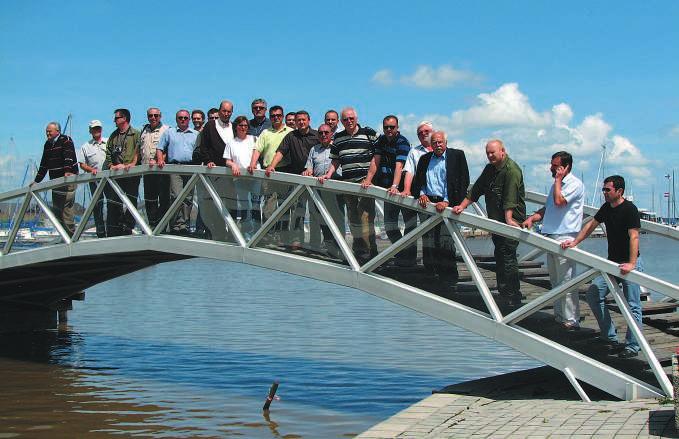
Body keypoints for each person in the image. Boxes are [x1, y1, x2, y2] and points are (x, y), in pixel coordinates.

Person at [561, 175, 644, 359]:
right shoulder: (607, 208)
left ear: (619, 191)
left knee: (633, 306)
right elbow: (591, 225)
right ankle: (610, 336)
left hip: (631, 263)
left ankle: (632, 345)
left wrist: (631, 263)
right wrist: (575, 242)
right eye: (603, 190)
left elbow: (634, 237)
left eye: (608, 190)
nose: (604, 193)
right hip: (611, 263)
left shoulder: (630, 209)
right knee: (593, 293)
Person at [452, 139, 525, 305]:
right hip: (496, 220)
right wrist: (462, 206)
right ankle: (504, 291)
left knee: (507, 256)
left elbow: (510, 197)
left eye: (493, 152)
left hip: (511, 219)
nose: (490, 156)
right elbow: (476, 189)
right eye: (488, 153)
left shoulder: (511, 170)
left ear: (502, 151)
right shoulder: (489, 169)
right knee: (500, 254)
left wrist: (508, 219)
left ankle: (513, 295)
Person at [522, 151, 585, 330]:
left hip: (566, 236)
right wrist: (533, 217)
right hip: (551, 235)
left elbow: (559, 202)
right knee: (556, 281)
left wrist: (558, 180)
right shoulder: (555, 185)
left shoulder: (575, 184)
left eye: (556, 165)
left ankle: (572, 319)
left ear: (566, 167)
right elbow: (549, 207)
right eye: (552, 164)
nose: (551, 168)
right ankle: (559, 317)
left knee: (567, 281)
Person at [320, 107, 378, 262]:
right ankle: (359, 250)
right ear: (342, 121)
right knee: (353, 219)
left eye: (351, 118)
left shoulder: (369, 133)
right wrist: (328, 174)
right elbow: (335, 159)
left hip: (365, 183)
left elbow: (377, 157)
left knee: (366, 219)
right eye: (345, 119)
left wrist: (370, 178)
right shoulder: (338, 137)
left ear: (356, 118)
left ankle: (369, 252)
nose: (349, 121)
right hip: (348, 183)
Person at [412, 131, 469, 280]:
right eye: (435, 143)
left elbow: (464, 181)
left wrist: (447, 201)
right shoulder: (424, 159)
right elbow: (418, 181)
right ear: (431, 145)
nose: (437, 145)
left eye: (440, 142)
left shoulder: (457, 156)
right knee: (428, 238)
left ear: (446, 142)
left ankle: (449, 275)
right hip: (428, 203)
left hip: (448, 203)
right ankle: (430, 273)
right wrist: (422, 193)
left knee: (446, 239)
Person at [362, 115, 415, 265]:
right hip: (387, 188)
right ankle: (401, 251)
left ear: (397, 127)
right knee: (389, 225)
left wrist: (395, 186)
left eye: (392, 127)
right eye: (386, 127)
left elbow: (400, 165)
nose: (389, 130)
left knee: (410, 224)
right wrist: (368, 179)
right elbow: (375, 161)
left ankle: (409, 257)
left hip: (403, 189)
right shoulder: (381, 140)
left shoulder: (403, 142)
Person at [266, 111, 318, 247]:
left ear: (309, 120)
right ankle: (297, 239)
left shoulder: (317, 135)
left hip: (314, 179)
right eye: (298, 120)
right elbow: (281, 152)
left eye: (303, 120)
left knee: (315, 212)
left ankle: (315, 242)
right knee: (298, 211)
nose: (301, 122)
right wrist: (272, 166)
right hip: (297, 179)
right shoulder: (291, 136)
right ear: (295, 122)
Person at [195, 100, 234, 240]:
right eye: (224, 111)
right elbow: (204, 146)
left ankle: (231, 233)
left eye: (229, 111)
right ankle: (216, 232)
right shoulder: (210, 125)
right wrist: (208, 161)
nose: (226, 114)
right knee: (212, 203)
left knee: (228, 203)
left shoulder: (234, 127)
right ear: (219, 111)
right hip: (213, 171)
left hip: (230, 173)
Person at [156, 109, 199, 235]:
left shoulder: (196, 134)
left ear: (189, 119)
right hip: (175, 167)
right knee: (176, 196)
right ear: (176, 119)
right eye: (180, 118)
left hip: (191, 168)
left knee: (188, 198)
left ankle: (184, 224)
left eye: (185, 118)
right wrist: (160, 160)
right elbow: (160, 148)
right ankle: (176, 225)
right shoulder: (169, 132)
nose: (183, 120)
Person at [303, 124, 343, 254]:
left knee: (337, 218)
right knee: (321, 218)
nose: (323, 135)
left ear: (331, 133)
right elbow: (309, 167)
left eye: (326, 132)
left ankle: (341, 246)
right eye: (320, 133)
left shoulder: (337, 148)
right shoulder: (314, 149)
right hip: (318, 189)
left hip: (335, 188)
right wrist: (307, 172)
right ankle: (329, 245)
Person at [32, 121, 78, 236]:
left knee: (66, 211)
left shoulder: (66, 140)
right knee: (57, 212)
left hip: (67, 181)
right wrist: (36, 181)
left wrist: (67, 171)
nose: (47, 133)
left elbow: (68, 156)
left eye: (49, 131)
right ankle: (64, 238)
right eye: (46, 131)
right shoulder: (47, 144)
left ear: (57, 131)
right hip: (55, 182)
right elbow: (44, 164)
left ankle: (72, 238)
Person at [103, 108, 141, 236]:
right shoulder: (113, 136)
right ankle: (115, 228)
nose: (114, 120)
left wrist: (131, 164)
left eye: (116, 118)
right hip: (116, 176)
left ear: (124, 119)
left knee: (131, 200)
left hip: (131, 174)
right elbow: (108, 153)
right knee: (114, 201)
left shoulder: (136, 134)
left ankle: (128, 225)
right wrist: (111, 165)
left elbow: (139, 151)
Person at [224, 115, 261, 238]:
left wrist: (254, 164)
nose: (243, 127)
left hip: (254, 177)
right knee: (244, 206)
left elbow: (259, 154)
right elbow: (227, 160)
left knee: (256, 205)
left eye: (245, 125)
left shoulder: (254, 139)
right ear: (236, 127)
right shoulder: (231, 143)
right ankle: (247, 234)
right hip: (240, 178)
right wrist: (233, 165)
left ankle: (258, 233)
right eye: (241, 125)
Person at [138, 107, 169, 229]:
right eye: (151, 115)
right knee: (149, 200)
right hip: (147, 171)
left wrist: (158, 160)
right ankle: (152, 226)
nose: (153, 118)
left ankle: (163, 227)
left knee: (164, 199)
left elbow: (168, 149)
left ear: (160, 116)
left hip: (161, 171)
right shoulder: (144, 131)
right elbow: (138, 150)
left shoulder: (166, 130)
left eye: (156, 115)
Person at [77, 120, 108, 237]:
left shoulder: (108, 142)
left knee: (112, 203)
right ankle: (100, 232)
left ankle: (112, 230)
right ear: (90, 131)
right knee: (97, 204)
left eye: (98, 128)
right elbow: (82, 164)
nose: (97, 130)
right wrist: (91, 170)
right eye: (94, 129)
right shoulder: (86, 146)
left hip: (110, 179)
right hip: (95, 180)